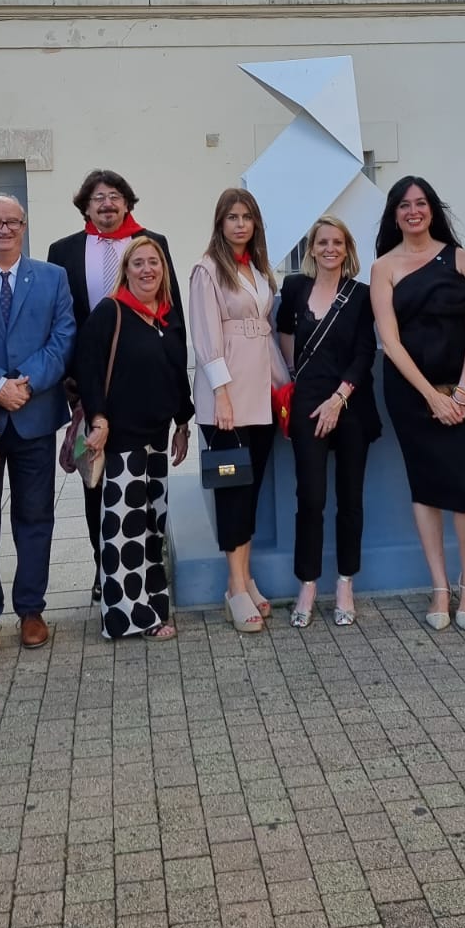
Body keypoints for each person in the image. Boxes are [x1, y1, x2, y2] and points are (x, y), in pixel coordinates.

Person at [46, 170, 183, 598]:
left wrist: (181, 397)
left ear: (128, 203)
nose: (107, 204)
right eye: (98, 197)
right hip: (91, 387)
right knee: (97, 475)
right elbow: (61, 319)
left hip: (144, 386)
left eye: (115, 196)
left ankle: (146, 561)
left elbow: (172, 316)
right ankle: (103, 565)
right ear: (85, 206)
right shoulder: (63, 251)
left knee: (146, 479)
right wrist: (72, 377)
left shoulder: (151, 244)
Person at [0, 195, 75, 657]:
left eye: (13, 221)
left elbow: (64, 335)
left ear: (24, 226)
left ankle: (31, 609)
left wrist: (24, 382)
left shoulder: (52, 277)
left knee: (35, 518)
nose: (4, 229)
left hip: (34, 416)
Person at [370, 178, 465, 632]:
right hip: (411, 395)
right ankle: (440, 586)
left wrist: (458, 392)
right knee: (425, 488)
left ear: (433, 209)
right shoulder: (383, 267)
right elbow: (390, 342)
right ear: (394, 214)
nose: (413, 211)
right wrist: (430, 396)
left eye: (421, 203)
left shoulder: (462, 259)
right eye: (404, 205)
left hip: (464, 392)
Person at [77, 237, 193, 640]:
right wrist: (98, 418)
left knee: (151, 527)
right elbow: (89, 371)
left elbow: (176, 373)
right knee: (123, 530)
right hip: (122, 439)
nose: (147, 270)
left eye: (154, 262)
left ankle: (153, 605)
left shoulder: (165, 316)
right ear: (125, 270)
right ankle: (127, 618)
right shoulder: (111, 312)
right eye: (138, 263)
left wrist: (183, 421)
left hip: (158, 438)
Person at [190, 187, 288, 633]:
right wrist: (221, 396)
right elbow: (206, 339)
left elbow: (265, 333)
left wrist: (284, 386)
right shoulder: (207, 270)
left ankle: (246, 577)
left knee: (250, 491)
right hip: (226, 401)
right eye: (232, 216)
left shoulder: (260, 268)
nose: (240, 224)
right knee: (232, 492)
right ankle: (234, 586)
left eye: (247, 216)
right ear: (219, 222)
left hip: (261, 396)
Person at [278, 217, 382, 629]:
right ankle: (307, 584)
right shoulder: (293, 288)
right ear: (312, 248)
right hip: (306, 402)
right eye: (322, 242)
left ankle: (344, 583)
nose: (330, 248)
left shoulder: (360, 295)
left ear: (347, 248)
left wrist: (339, 398)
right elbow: (284, 331)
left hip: (350, 403)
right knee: (312, 498)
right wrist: (293, 374)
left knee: (350, 500)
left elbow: (364, 353)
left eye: (337, 242)